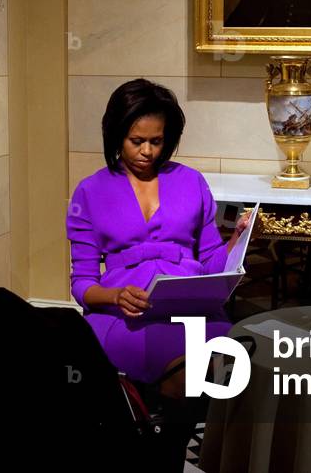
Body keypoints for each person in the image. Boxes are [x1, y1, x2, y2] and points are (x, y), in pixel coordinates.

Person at [66, 78, 252, 401]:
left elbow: (212, 264)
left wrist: (238, 237)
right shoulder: (90, 192)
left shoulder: (191, 182)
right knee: (184, 376)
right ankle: (165, 444)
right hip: (124, 318)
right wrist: (116, 296)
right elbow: (82, 284)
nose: (147, 151)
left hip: (194, 312)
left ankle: (213, 448)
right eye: (136, 141)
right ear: (116, 135)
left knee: (239, 368)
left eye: (156, 141)